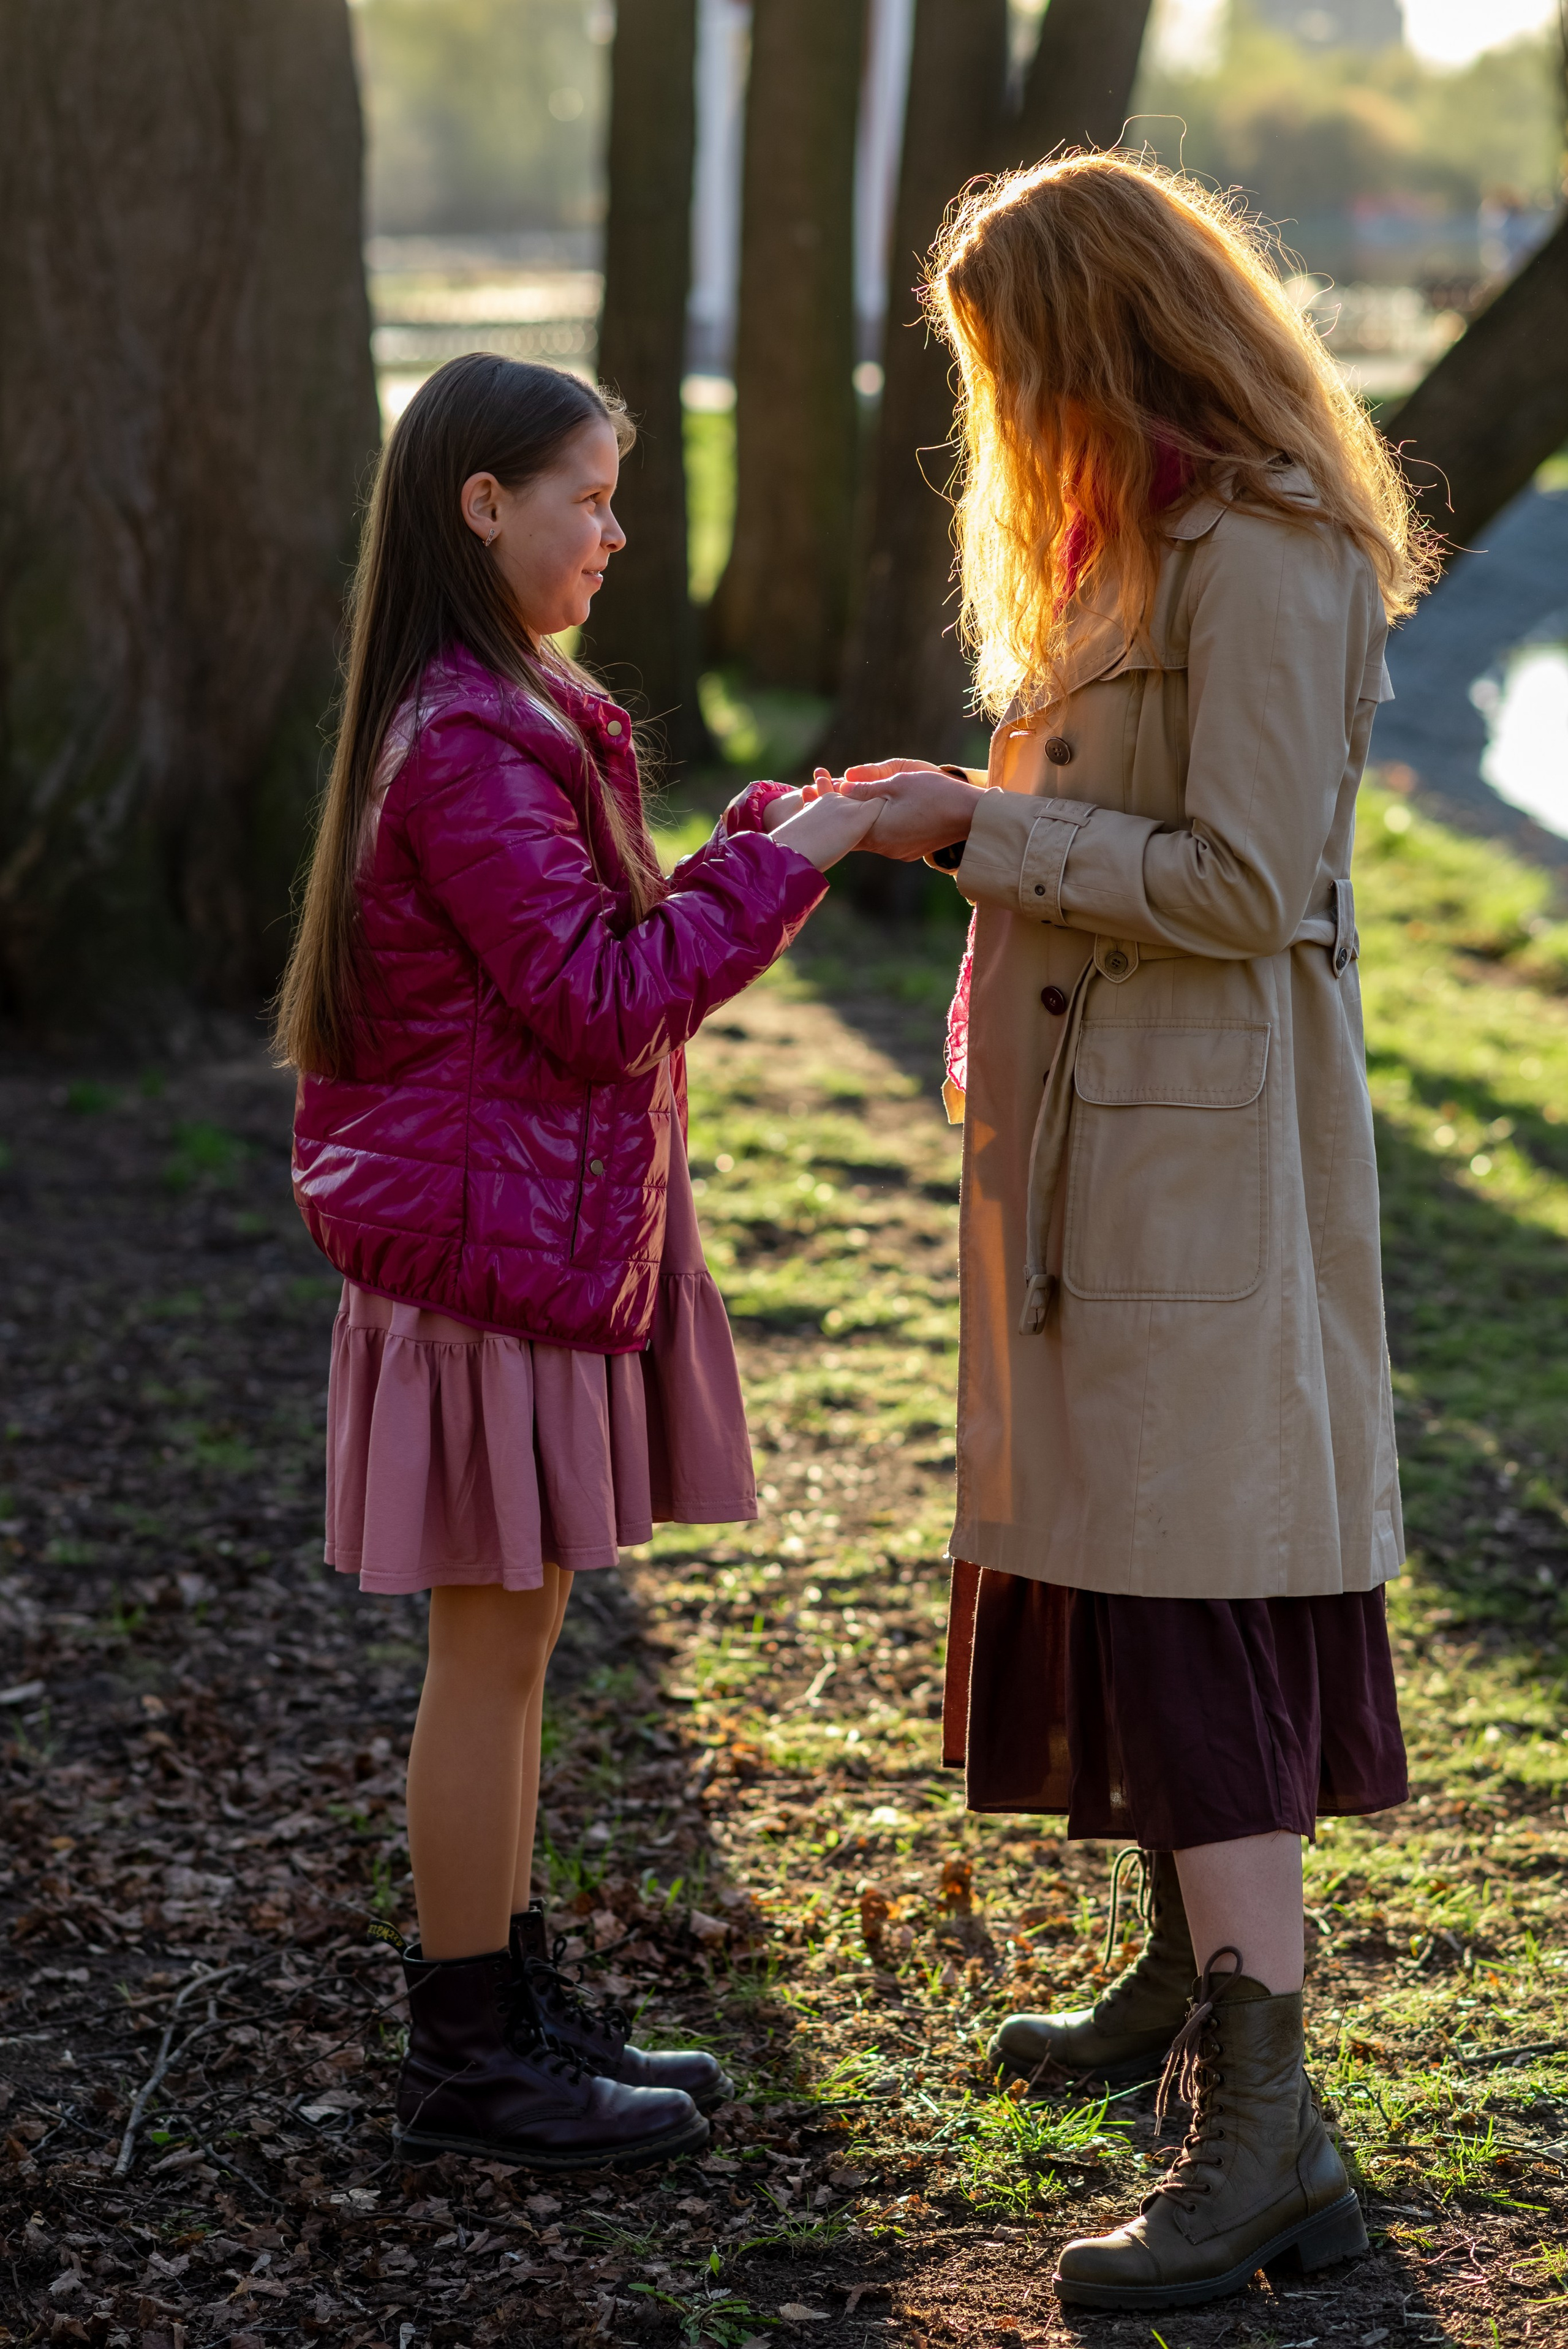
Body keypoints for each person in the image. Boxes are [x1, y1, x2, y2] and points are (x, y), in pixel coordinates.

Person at [827, 153, 1428, 2308]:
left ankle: (1270, 2131)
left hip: (1200, 1149)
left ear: (1113, 335)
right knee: (1139, 1564)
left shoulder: (1262, 553)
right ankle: (1194, 1996)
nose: (999, 407)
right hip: (1109, 1138)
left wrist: (976, 824)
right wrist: (957, 815)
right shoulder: (1129, 535)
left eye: (1017, 360)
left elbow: (1247, 884)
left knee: (1191, 1587)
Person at [273, 353, 874, 2171]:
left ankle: (506, 1999)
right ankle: (468, 2052)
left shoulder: (508, 705)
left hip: (513, 1243)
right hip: (485, 1265)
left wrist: (756, 841)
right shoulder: (464, 737)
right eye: (591, 498)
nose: (616, 533)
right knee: (493, 1652)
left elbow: (590, 945)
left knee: (516, 1648)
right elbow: (602, 1003)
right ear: (484, 503)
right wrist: (802, 866)